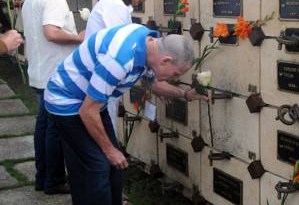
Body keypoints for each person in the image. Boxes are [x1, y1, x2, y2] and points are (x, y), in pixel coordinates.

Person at [44, 23, 206, 205]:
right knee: (97, 166)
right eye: (176, 73)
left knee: (114, 165)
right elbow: (87, 111)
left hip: (93, 103)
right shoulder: (119, 60)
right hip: (67, 101)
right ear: (166, 60)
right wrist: (109, 149)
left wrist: (185, 94)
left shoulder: (149, 45)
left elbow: (152, 83)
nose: (175, 78)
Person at [21, 0, 85, 194]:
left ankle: (43, 177)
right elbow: (51, 32)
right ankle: (54, 180)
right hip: (53, 74)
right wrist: (78, 37)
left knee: (44, 126)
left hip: (39, 70)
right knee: (56, 129)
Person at [85, 0, 156, 132]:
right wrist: (150, 72)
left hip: (103, 78)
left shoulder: (117, 4)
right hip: (99, 80)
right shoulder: (115, 6)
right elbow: (121, 47)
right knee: (104, 136)